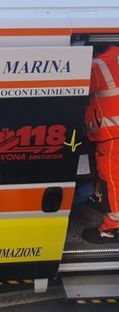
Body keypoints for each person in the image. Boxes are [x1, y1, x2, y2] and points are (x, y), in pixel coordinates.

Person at [82, 45, 119, 244]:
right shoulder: (114, 58)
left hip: (113, 135)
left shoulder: (99, 65)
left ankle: (113, 228)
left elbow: (75, 88)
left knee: (112, 182)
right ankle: (99, 198)